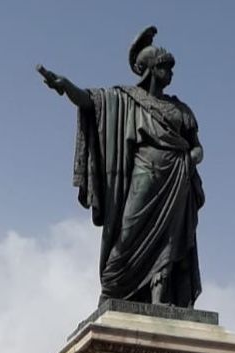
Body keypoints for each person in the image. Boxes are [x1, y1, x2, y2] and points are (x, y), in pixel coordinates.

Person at [37, 25, 205, 307]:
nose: (171, 73)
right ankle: (113, 287)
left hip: (177, 177)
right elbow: (92, 102)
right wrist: (66, 87)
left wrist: (193, 157)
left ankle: (160, 298)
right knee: (129, 232)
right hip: (144, 174)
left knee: (169, 237)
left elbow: (196, 145)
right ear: (151, 70)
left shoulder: (181, 110)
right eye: (165, 67)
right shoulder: (127, 99)